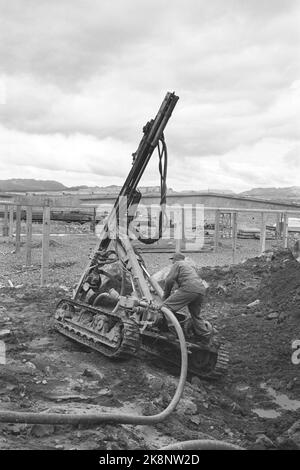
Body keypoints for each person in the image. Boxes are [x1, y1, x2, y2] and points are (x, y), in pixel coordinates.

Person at [162, 252, 212, 343]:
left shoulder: (178, 264)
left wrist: (166, 296)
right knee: (195, 315)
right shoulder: (189, 267)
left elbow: (169, 280)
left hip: (189, 288)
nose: (172, 262)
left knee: (166, 308)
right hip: (201, 290)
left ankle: (174, 333)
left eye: (172, 260)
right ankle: (205, 336)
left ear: (174, 259)